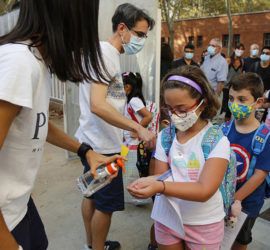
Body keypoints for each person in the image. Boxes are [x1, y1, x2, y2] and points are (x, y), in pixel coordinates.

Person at [0, 1, 126, 250]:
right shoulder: (18, 63)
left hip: (20, 205)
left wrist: (85, 151)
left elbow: (36, 123)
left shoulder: (36, 62)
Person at [75, 3, 156, 250]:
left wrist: (124, 128)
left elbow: (105, 104)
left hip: (92, 140)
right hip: (103, 148)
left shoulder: (105, 55)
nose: (142, 40)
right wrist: (139, 127)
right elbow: (98, 105)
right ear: (122, 28)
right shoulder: (106, 55)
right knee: (106, 206)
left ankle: (91, 244)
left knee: (90, 193)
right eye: (140, 34)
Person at [127, 65, 231, 250]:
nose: (175, 115)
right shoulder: (166, 136)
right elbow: (161, 176)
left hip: (204, 222)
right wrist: (145, 183)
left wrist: (159, 185)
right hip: (168, 217)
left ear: (203, 103)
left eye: (182, 110)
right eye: (169, 109)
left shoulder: (217, 141)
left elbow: (205, 190)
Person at [223, 73, 270, 250]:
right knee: (220, 236)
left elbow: (259, 175)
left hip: (246, 203)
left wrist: (236, 199)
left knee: (239, 240)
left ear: (258, 103)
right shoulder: (223, 129)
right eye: (231, 98)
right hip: (221, 198)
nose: (235, 105)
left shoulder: (265, 137)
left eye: (242, 100)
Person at [122, 71, 153, 203]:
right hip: (127, 142)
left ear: (127, 87)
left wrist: (137, 129)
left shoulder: (134, 100)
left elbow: (148, 116)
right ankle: (131, 195)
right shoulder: (129, 100)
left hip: (133, 142)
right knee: (126, 168)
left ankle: (138, 198)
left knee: (133, 170)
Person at [201, 38, 228, 124]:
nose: (210, 47)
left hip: (214, 94)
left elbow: (221, 83)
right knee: (203, 118)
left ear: (219, 48)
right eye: (209, 45)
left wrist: (215, 99)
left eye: (213, 46)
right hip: (203, 93)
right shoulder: (206, 58)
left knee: (213, 119)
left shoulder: (222, 62)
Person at [222, 43, 245, 121]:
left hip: (235, 87)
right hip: (226, 87)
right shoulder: (228, 60)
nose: (240, 51)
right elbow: (223, 73)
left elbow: (240, 75)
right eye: (238, 49)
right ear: (234, 49)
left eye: (242, 49)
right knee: (225, 107)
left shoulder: (242, 62)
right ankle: (223, 124)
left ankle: (229, 125)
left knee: (232, 107)